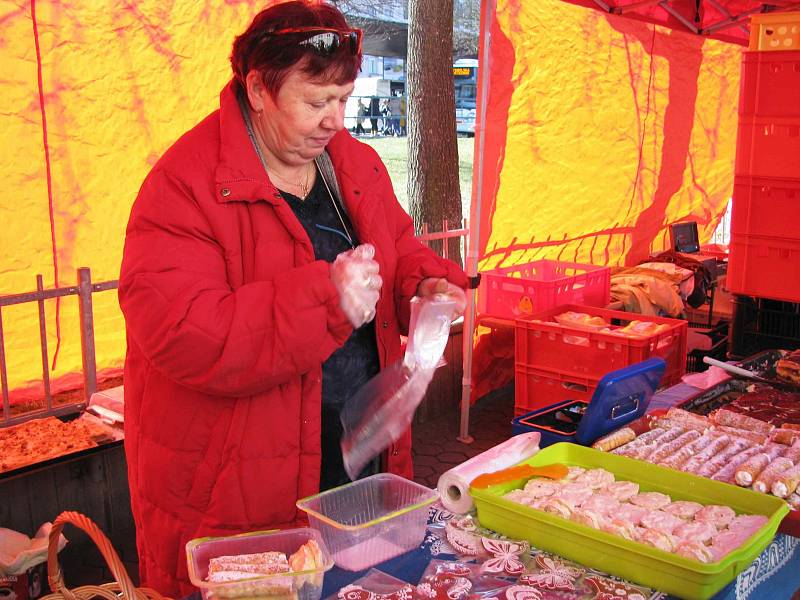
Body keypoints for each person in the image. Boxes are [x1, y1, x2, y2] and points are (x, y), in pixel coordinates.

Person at [118, 1, 467, 596]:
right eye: (315, 102)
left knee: (352, 580)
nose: (335, 120)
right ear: (257, 89)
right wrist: (325, 301)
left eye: (343, 99)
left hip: (353, 446)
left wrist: (426, 279)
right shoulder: (184, 186)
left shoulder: (351, 163)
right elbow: (189, 335)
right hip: (239, 474)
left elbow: (396, 242)